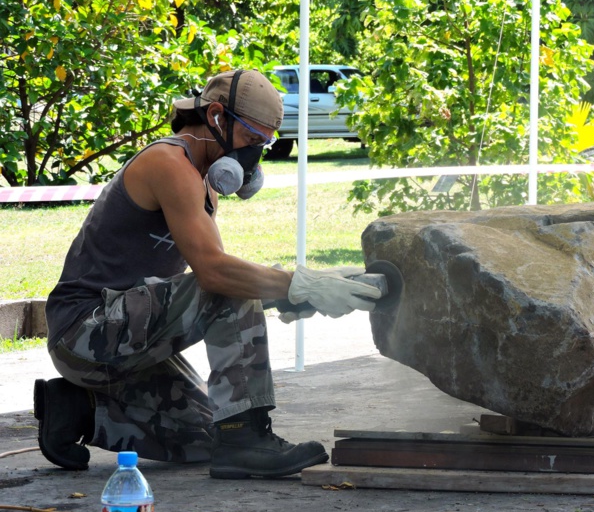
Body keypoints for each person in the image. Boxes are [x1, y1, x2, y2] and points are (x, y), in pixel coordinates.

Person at [34, 69, 381, 479]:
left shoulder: (202, 179)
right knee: (225, 307)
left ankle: (77, 410)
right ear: (217, 116)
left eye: (263, 145)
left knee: (205, 436)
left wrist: (303, 291)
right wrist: (298, 284)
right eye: (252, 141)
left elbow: (211, 278)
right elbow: (215, 275)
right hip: (84, 332)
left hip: (126, 335)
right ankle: (247, 438)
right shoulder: (168, 163)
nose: (255, 156)